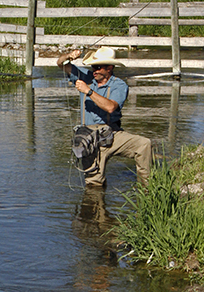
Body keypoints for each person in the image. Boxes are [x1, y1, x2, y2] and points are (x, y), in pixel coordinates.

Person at [57, 46, 151, 187]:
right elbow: (60, 63)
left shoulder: (119, 85)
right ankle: (95, 205)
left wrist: (88, 91)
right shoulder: (86, 77)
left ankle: (147, 189)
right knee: (94, 185)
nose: (95, 70)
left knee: (143, 145)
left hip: (112, 134)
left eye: (99, 67)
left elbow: (110, 107)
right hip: (89, 137)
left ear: (110, 68)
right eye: (93, 66)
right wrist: (69, 56)